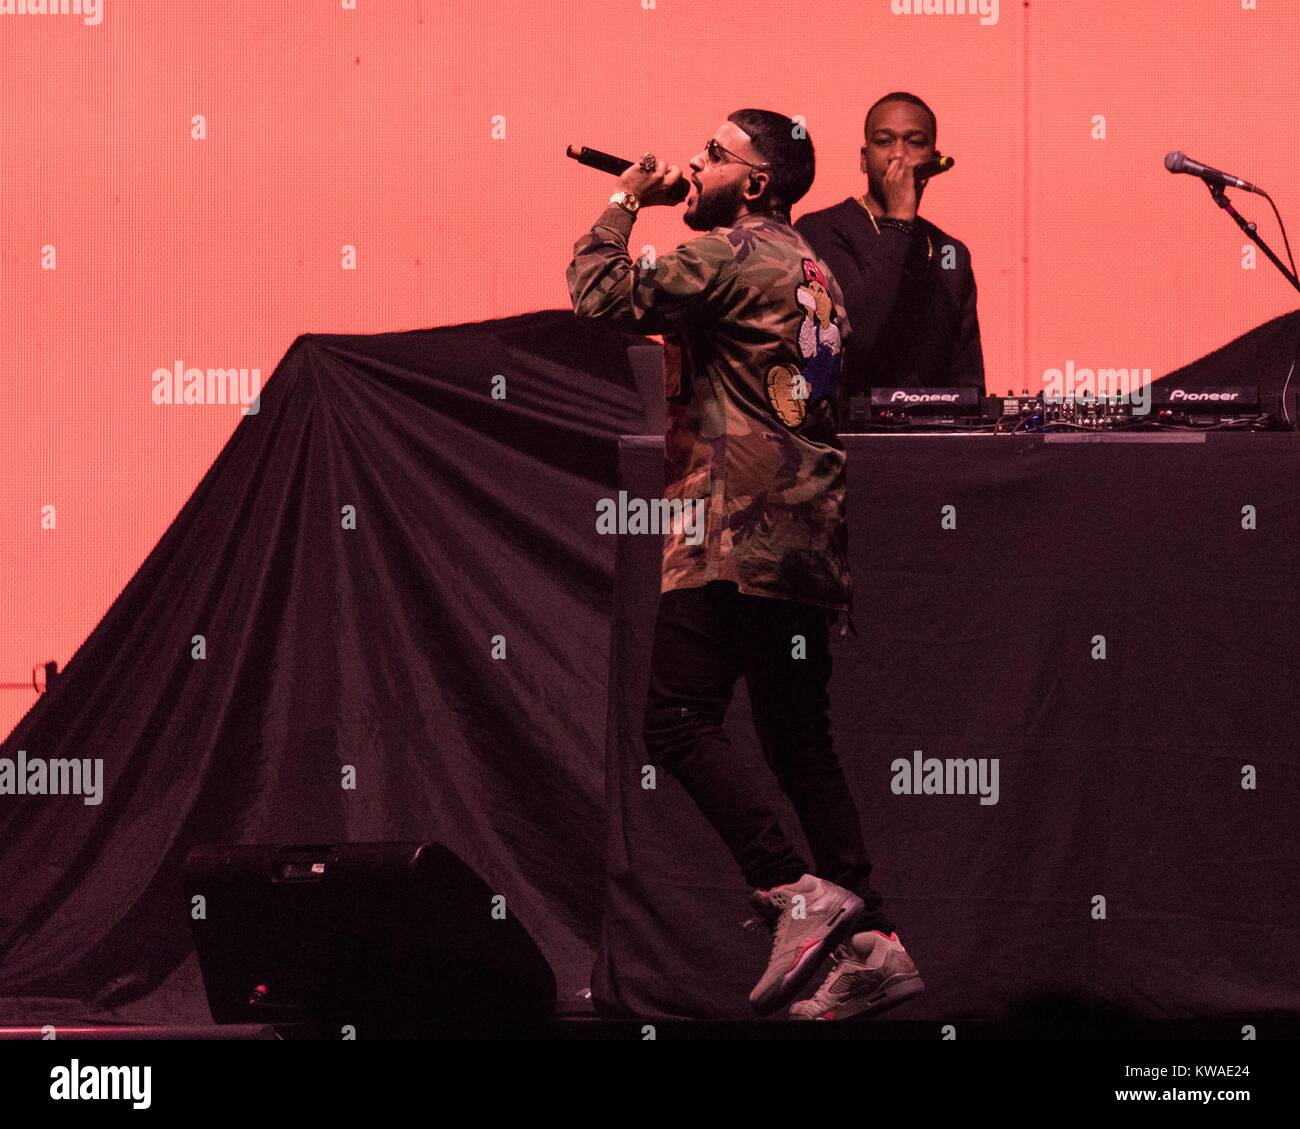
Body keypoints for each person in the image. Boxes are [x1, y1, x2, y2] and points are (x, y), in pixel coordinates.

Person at [566, 109, 924, 1019]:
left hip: (735, 529)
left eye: (716, 156)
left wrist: (624, 202)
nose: (696, 163)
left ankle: (788, 888)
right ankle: (875, 940)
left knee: (676, 723)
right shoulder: (819, 273)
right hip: (807, 537)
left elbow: (599, 295)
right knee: (799, 741)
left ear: (757, 185)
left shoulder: (731, 255)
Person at [795, 92, 984, 422]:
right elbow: (856, 334)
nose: (899, 155)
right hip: (846, 437)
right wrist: (898, 219)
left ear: (934, 158)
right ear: (864, 159)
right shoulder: (820, 229)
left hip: (933, 444)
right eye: (884, 142)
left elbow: (967, 379)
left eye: (915, 142)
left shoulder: (951, 252)